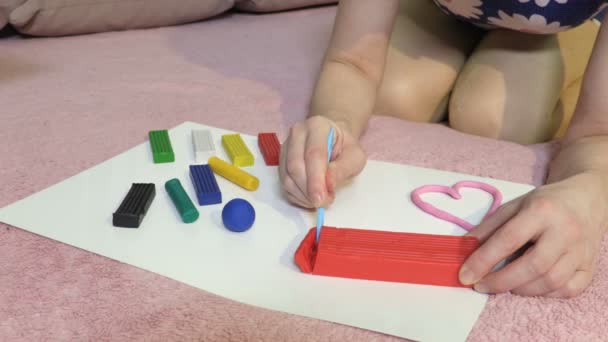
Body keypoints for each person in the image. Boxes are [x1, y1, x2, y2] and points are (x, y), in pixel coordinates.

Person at [278, 0, 608, 298]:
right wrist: (336, 122)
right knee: (393, 95)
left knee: (493, 115)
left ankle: (570, 36)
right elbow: (352, 63)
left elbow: (597, 131)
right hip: (443, 11)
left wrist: (589, 187)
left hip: (555, 27)